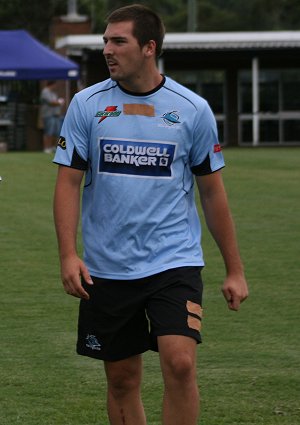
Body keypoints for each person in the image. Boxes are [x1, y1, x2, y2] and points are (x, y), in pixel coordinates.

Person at [53, 4, 249, 425]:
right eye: (105, 40)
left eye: (118, 41)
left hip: (172, 259)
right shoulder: (86, 106)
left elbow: (212, 194)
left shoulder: (192, 109)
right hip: (107, 266)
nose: (107, 49)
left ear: (148, 48)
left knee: (180, 363)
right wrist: (68, 254)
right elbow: (67, 183)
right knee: (122, 380)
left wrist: (235, 269)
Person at [40, 80, 64, 153]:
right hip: (48, 115)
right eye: (55, 85)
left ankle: (53, 147)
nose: (56, 87)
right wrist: (60, 102)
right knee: (48, 132)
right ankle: (47, 148)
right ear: (52, 84)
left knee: (56, 132)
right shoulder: (45, 91)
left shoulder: (53, 93)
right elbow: (51, 102)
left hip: (56, 115)